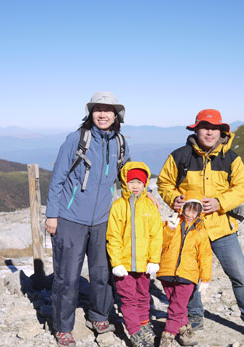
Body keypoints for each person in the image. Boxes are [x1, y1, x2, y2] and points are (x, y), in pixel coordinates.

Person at [157, 109, 244, 341]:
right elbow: (164, 183)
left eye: (214, 128)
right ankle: (194, 314)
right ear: (196, 130)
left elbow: (242, 188)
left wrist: (220, 202)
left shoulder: (231, 158)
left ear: (222, 132)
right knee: (188, 274)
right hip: (189, 227)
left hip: (222, 227)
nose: (209, 132)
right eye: (204, 127)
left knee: (239, 275)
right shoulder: (179, 156)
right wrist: (173, 199)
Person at [45, 92, 130, 347]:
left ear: (116, 115)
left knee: (102, 272)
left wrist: (143, 200)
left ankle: (99, 316)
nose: (102, 114)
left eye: (108, 110)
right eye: (97, 109)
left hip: (104, 219)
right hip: (71, 218)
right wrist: (52, 214)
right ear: (91, 113)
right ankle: (63, 327)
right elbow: (58, 178)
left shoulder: (121, 142)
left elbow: (127, 177)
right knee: (67, 276)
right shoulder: (77, 139)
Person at [106, 161, 163, 347]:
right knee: (128, 299)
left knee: (143, 295)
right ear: (125, 183)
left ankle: (144, 322)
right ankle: (134, 331)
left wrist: (154, 260)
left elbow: (156, 235)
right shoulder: (118, 206)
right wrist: (116, 263)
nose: (136, 186)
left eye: (140, 182)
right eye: (132, 182)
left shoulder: (150, 206)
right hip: (124, 265)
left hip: (144, 264)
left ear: (145, 183)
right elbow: (113, 236)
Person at [157, 193, 212, 347]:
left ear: (200, 212)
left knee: (176, 307)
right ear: (183, 208)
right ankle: (185, 329)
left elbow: (205, 256)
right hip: (166, 272)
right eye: (188, 209)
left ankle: (167, 336)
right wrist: (168, 229)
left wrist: (205, 278)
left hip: (188, 275)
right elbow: (160, 243)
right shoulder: (171, 223)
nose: (190, 214)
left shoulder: (201, 232)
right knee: (177, 305)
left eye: (194, 211)